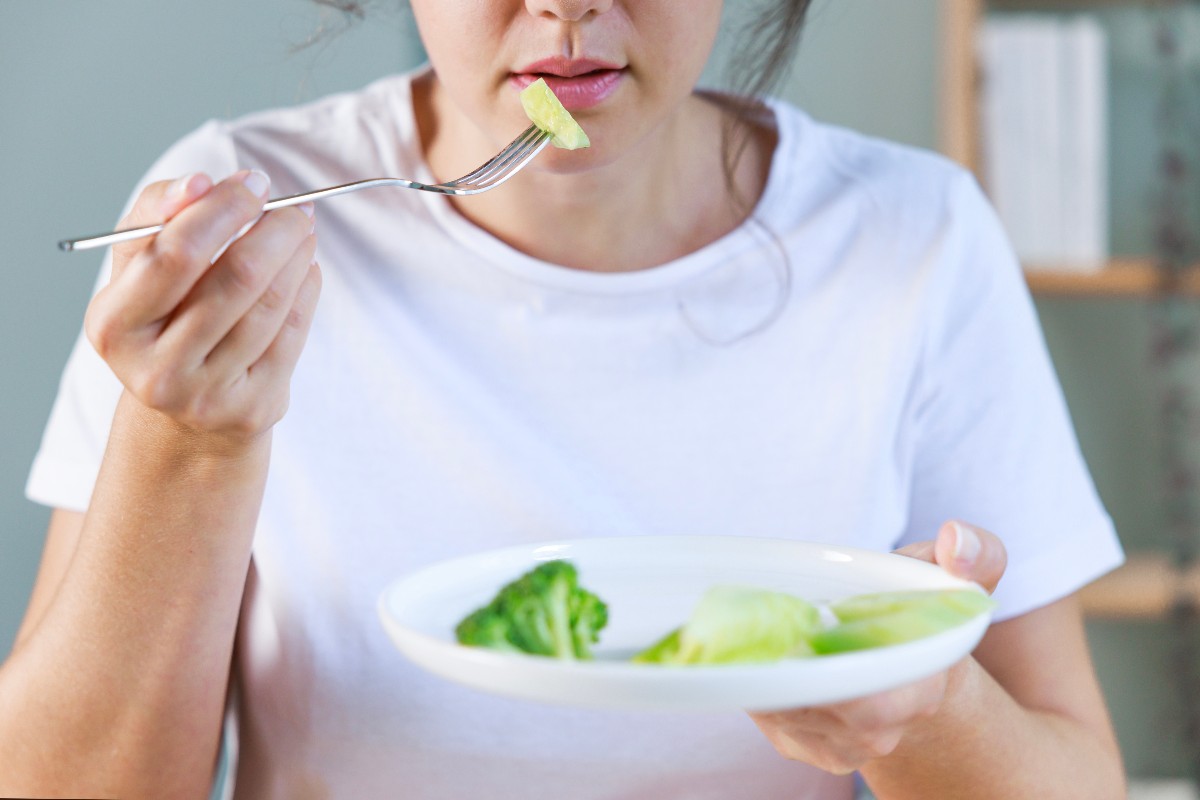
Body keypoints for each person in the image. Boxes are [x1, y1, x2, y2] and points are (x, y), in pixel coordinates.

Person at [2, 1, 1127, 798]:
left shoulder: (916, 236)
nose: (567, 7)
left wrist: (929, 709)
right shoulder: (234, 237)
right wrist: (185, 445)